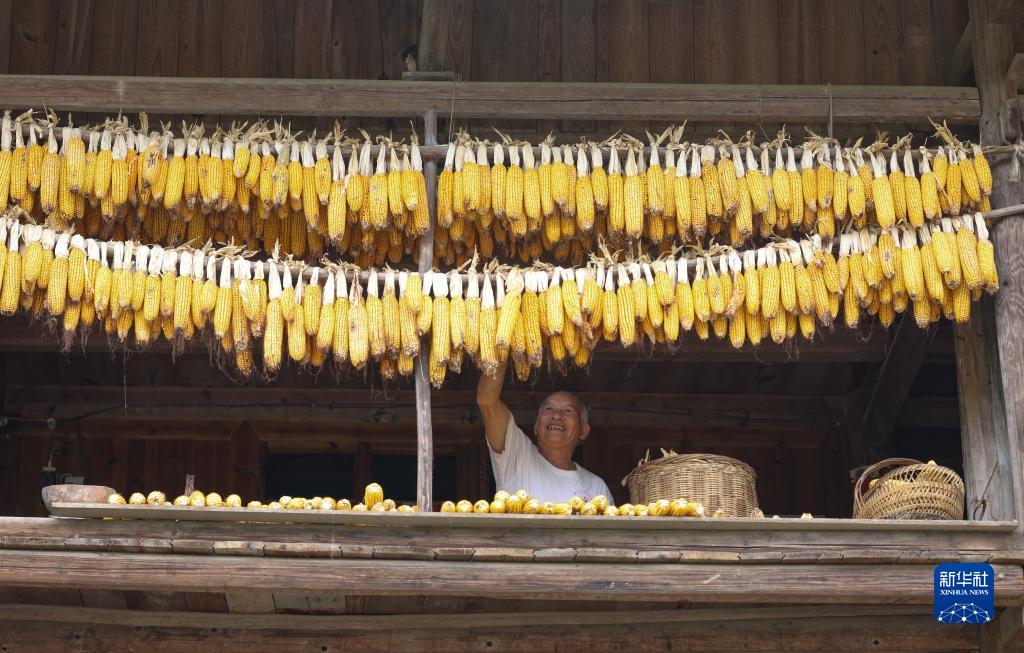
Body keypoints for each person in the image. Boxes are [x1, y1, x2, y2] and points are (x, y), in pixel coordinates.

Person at [476, 362, 612, 503]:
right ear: (536, 427)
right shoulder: (517, 457)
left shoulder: (597, 488)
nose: (556, 415)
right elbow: (487, 401)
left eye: (568, 410)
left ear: (583, 431)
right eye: (549, 409)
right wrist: (502, 345)